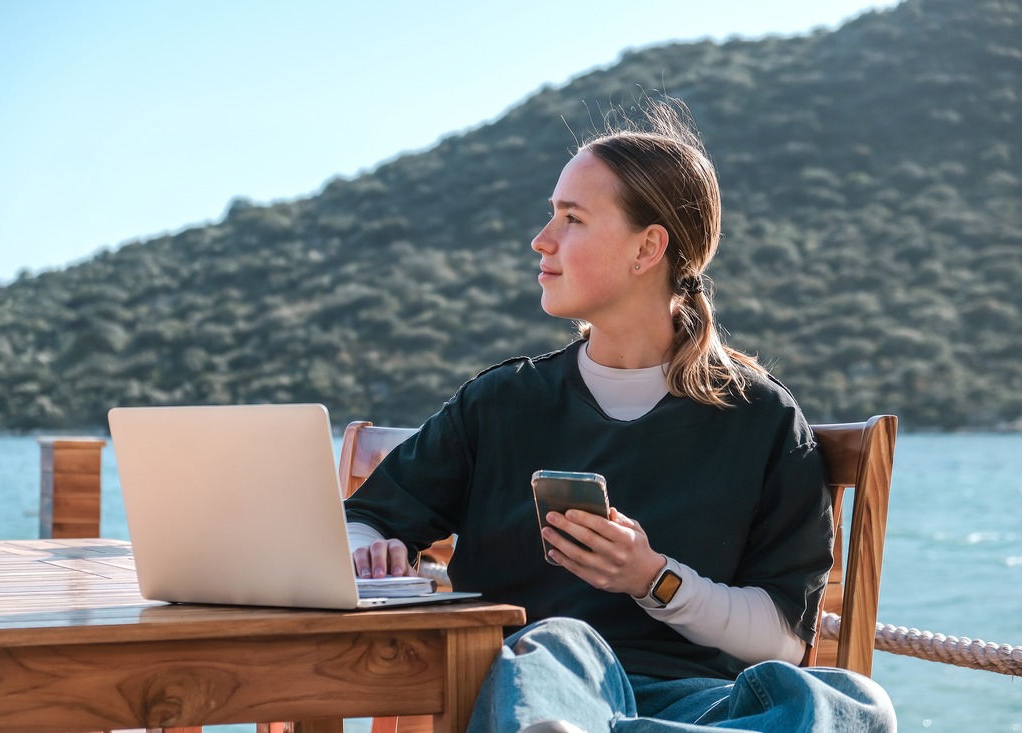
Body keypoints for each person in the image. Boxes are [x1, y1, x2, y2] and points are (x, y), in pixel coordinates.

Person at [344, 99, 895, 732]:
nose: (541, 240)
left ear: (647, 249)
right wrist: (372, 552)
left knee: (850, 700)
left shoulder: (760, 417)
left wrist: (652, 577)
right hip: (541, 688)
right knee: (557, 643)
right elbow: (360, 521)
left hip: (700, 706)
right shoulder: (500, 403)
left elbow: (785, 642)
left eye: (572, 218)